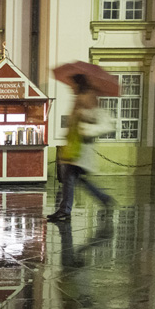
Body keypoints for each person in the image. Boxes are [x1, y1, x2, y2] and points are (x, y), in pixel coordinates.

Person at [47, 74, 115, 222]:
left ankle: (65, 210)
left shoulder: (89, 98)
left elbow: (99, 120)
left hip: (82, 148)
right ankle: (104, 199)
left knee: (70, 179)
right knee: (76, 179)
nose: (71, 87)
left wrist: (83, 116)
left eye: (73, 84)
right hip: (74, 145)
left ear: (79, 84)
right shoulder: (79, 98)